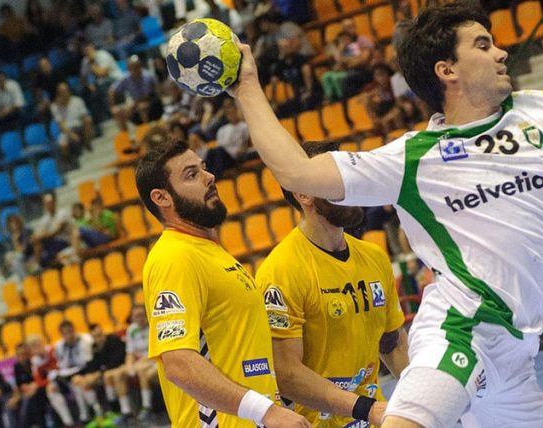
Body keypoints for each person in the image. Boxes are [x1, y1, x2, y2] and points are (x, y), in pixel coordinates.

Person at [231, 1, 543, 426]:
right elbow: (297, 172)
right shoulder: (413, 158)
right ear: (447, 70)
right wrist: (248, 86)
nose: (502, 52)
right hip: (462, 328)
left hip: (520, 350)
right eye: (483, 45)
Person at [134, 140, 307, 427]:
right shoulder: (174, 257)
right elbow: (178, 363)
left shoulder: (208, 251)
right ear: (161, 198)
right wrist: (266, 411)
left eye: (203, 168)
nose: (209, 176)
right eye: (191, 174)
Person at [257, 141, 410, 427]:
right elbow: (287, 374)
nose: (349, 186)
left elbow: (392, 344)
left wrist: (422, 403)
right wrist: (365, 408)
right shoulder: (281, 271)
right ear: (303, 193)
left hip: (370, 417)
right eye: (334, 178)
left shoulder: (374, 257)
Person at [70, 323, 127, 422]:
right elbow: (93, 366)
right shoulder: (94, 347)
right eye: (95, 337)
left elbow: (118, 360)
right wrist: (90, 376)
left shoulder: (113, 339)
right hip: (102, 373)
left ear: (103, 332)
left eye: (100, 335)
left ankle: (117, 409)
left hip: (117, 369)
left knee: (107, 376)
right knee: (82, 382)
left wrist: (99, 373)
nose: (99, 339)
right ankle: (98, 413)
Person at [52, 320, 95, 423]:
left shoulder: (84, 340)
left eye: (70, 331)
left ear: (74, 330)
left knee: (76, 381)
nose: (68, 335)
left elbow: (86, 362)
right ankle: (68, 421)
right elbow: (61, 365)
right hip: (66, 374)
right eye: (65, 333)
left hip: (83, 371)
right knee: (51, 389)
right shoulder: (59, 346)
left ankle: (87, 414)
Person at [121, 306, 157, 421]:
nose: (140, 318)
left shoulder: (153, 325)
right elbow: (130, 353)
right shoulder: (131, 329)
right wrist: (129, 367)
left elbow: (156, 351)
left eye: (142, 315)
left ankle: (147, 407)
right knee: (119, 374)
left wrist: (138, 364)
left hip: (156, 360)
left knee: (141, 371)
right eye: (136, 316)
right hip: (141, 363)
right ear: (132, 318)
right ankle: (126, 411)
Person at [109, 56, 161, 133]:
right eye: (131, 67)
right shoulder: (126, 78)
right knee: (118, 112)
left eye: (136, 67)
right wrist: (113, 106)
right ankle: (125, 136)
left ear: (140, 66)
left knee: (142, 107)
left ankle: (148, 132)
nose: (134, 70)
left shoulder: (147, 76)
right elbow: (112, 90)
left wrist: (132, 105)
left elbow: (146, 97)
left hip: (152, 103)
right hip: (135, 104)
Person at [49, 82, 93, 168]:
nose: (64, 93)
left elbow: (84, 117)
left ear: (69, 91)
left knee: (88, 120)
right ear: (58, 94)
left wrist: (82, 128)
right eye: (62, 92)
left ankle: (87, 144)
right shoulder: (55, 106)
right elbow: (61, 124)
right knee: (62, 144)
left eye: (66, 91)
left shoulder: (77, 100)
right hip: (67, 131)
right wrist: (71, 134)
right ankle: (69, 162)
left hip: (79, 127)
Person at [31, 193, 77, 268]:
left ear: (54, 202)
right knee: (36, 242)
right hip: (54, 243)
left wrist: (41, 236)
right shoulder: (45, 219)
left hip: (66, 241)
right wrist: (36, 236)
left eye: (50, 203)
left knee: (40, 241)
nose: (49, 205)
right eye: (46, 204)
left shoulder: (63, 213)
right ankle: (38, 265)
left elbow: (56, 231)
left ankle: (39, 265)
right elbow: (39, 232)